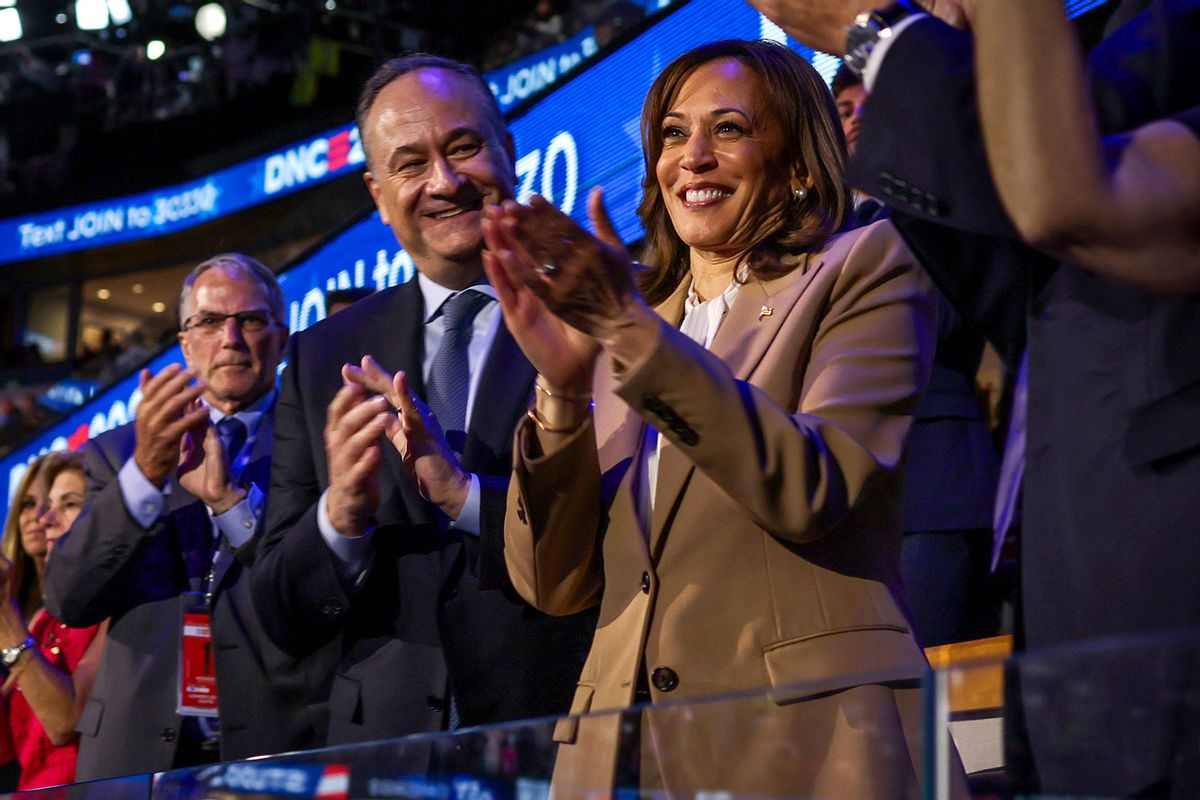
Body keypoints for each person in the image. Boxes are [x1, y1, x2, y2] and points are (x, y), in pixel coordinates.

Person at [482, 40, 964, 798]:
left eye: (729, 129)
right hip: (624, 763)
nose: (693, 157)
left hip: (811, 746)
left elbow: (814, 488)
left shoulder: (867, 266)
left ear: (800, 161)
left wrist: (627, 330)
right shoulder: (622, 323)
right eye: (673, 134)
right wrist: (562, 392)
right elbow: (553, 585)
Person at [743, 0, 1200, 794]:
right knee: (995, 734)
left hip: (963, 510)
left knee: (966, 726)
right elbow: (1018, 249)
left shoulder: (1156, 38)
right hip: (1063, 545)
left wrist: (879, 30)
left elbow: (1056, 197)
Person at [252, 55, 596, 746]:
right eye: (410, 164)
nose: (444, 182)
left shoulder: (602, 307)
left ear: (510, 148)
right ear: (378, 196)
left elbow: (638, 526)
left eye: (464, 147)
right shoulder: (324, 356)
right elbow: (278, 613)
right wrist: (339, 519)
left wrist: (466, 498)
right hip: (385, 747)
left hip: (570, 725)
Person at [43, 254, 327, 780]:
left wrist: (231, 508)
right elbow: (69, 597)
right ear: (185, 342)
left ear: (282, 338)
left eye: (251, 320)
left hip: (273, 749)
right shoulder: (116, 452)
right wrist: (146, 473)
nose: (231, 338)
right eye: (211, 321)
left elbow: (316, 592)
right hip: (132, 756)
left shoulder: (320, 444)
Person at [833, 63, 1000, 647]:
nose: (855, 122)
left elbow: (959, 313)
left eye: (867, 107)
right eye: (844, 112)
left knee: (941, 688)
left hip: (935, 487)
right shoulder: (823, 237)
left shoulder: (934, 203)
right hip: (845, 505)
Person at [0, 453, 104, 789]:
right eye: (31, 504)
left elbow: (62, 724)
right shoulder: (40, 623)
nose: (42, 518)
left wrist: (6, 617)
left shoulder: (111, 608)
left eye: (69, 504)